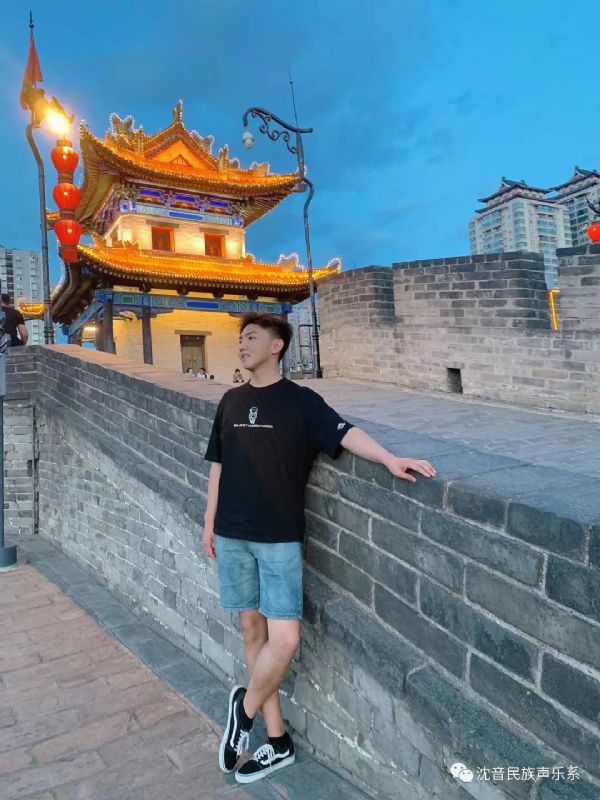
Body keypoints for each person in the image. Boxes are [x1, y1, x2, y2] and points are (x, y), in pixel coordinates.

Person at [202, 312, 436, 784]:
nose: (243, 344)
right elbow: (218, 466)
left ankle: (243, 711)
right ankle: (277, 741)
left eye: (252, 337)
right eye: (240, 338)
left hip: (279, 537)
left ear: (277, 346)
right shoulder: (230, 401)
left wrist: (390, 458)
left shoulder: (302, 403)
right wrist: (209, 523)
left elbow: (346, 433)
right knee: (251, 630)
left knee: (285, 638)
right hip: (231, 533)